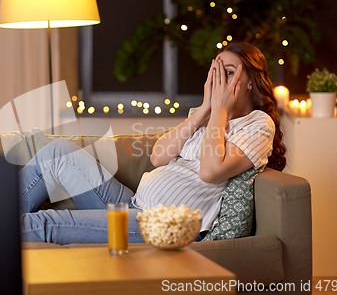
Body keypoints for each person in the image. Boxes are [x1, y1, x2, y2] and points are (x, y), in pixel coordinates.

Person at [20, 42, 286, 244]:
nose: (220, 83)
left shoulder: (258, 125)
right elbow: (159, 157)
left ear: (251, 80)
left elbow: (209, 171)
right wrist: (206, 108)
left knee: (38, 224)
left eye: (229, 73)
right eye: (216, 74)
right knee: (56, 153)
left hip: (163, 226)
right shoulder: (204, 115)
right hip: (133, 204)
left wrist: (220, 111)